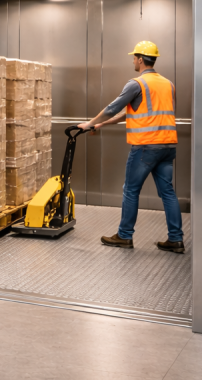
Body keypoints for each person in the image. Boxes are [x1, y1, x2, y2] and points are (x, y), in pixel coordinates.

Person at [77, 41, 184, 253]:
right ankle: (176, 239)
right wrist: (101, 125)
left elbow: (112, 108)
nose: (133, 61)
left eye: (134, 58)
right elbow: (130, 113)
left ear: (141, 59)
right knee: (168, 192)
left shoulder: (137, 84)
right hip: (167, 145)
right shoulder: (168, 84)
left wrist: (89, 123)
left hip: (145, 146)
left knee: (131, 190)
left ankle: (124, 236)